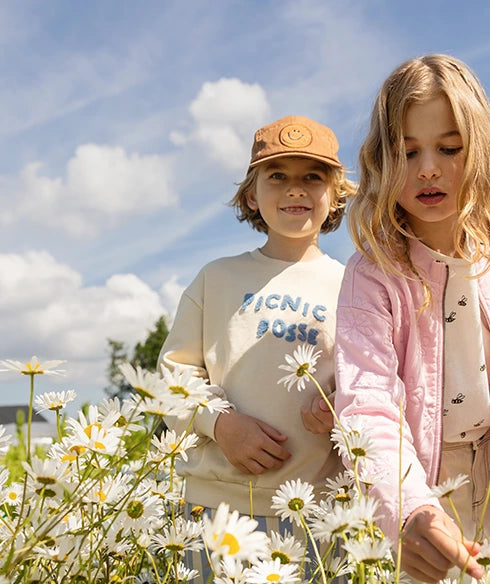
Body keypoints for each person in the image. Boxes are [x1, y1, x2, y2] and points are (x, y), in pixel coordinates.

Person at [334, 54, 490, 583]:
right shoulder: (373, 272)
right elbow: (367, 400)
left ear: (483, 152)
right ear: (381, 161)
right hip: (413, 477)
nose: (427, 168)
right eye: (407, 151)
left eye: (449, 148)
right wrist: (408, 507)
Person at [157, 115, 356, 580]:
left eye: (313, 176)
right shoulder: (216, 278)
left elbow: (375, 381)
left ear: (335, 196)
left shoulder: (354, 287)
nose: (295, 189)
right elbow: (173, 377)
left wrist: (343, 409)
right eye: (277, 176)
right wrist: (221, 423)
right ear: (251, 195)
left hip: (319, 513)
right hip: (217, 508)